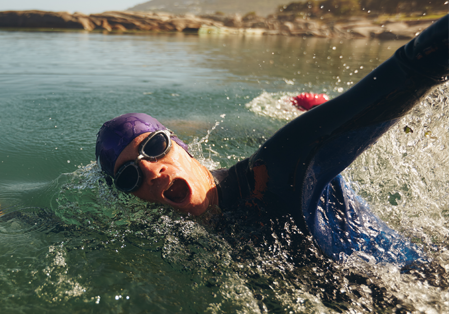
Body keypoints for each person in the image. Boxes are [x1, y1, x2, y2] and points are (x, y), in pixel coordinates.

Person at [95, 15, 448, 267]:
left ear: (182, 146)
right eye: (130, 177)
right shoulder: (171, 230)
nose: (152, 171)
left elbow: (412, 69)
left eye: (154, 147)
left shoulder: (275, 170)